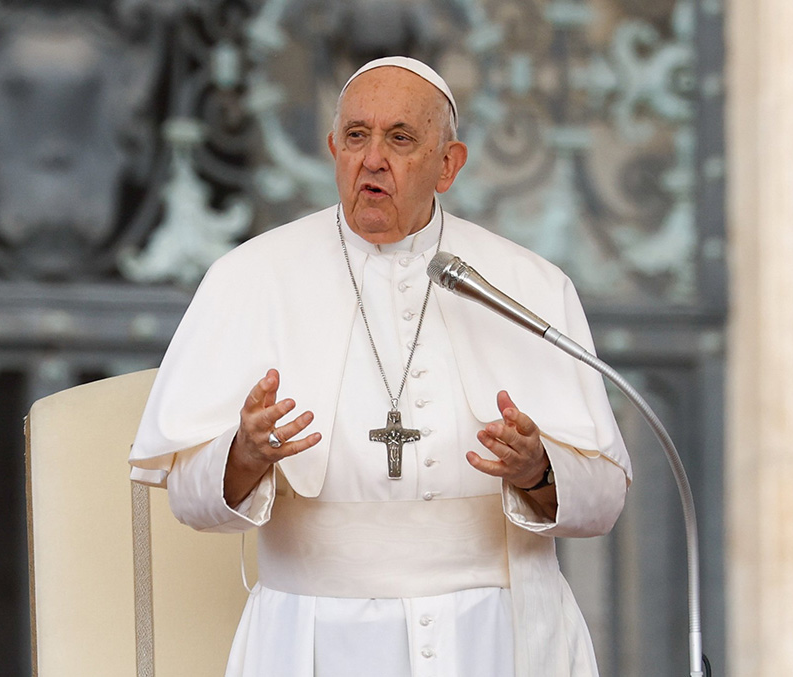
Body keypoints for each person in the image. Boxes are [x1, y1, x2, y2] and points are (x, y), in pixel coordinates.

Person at [129, 56, 631, 677]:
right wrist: (244, 455)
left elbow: (604, 500)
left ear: (448, 165)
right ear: (332, 147)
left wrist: (539, 470)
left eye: (400, 139)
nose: (372, 159)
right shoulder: (249, 279)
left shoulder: (528, 284)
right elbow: (187, 497)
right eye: (357, 136)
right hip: (314, 642)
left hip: (498, 640)